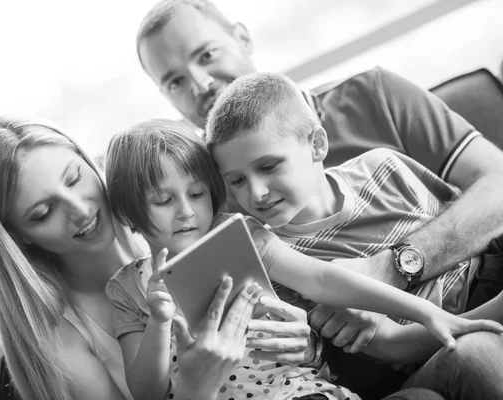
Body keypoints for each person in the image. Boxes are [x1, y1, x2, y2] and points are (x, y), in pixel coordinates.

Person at [135, 0, 503, 396]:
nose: (200, 83)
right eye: (174, 81)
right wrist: (311, 346)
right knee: (475, 357)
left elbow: (498, 184)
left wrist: (389, 268)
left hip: (483, 281)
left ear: (241, 37)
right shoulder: (218, 213)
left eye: (206, 54)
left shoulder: (374, 100)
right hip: (408, 364)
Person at [103, 118, 501, 400]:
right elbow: (146, 391)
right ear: (128, 216)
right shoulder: (128, 288)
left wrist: (426, 313)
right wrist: (158, 321)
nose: (186, 211)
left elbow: (325, 280)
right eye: (163, 201)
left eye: (195, 194)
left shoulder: (240, 235)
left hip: (311, 391)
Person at [0, 116, 315, 400]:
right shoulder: (64, 343)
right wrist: (195, 388)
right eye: (43, 212)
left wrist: (310, 345)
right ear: (16, 235)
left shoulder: (170, 212)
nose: (80, 210)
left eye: (74, 178)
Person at [204, 71, 503, 399]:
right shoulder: (282, 268)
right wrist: (490, 314)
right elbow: (395, 347)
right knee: (473, 354)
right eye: (237, 181)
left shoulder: (384, 167)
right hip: (433, 354)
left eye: (269, 166)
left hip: (489, 278)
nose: (257, 193)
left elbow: (475, 236)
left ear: (317, 145)